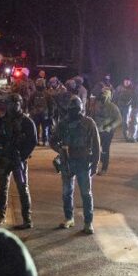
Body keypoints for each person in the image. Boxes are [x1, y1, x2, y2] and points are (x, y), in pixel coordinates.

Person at [49, 95, 101, 234]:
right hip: (67, 162)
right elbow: (52, 140)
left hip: (83, 162)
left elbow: (96, 145)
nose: (74, 111)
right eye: (71, 109)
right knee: (67, 193)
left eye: (76, 109)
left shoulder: (88, 123)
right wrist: (60, 149)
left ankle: (88, 222)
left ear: (81, 109)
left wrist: (95, 163)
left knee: (86, 193)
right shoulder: (63, 123)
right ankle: (69, 218)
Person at [0, 93, 37, 229]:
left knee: (23, 189)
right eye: (11, 103)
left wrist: (23, 156)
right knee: (2, 189)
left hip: (18, 159)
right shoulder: (0, 121)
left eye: (16, 103)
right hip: (3, 158)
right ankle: (1, 215)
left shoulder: (26, 121)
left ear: (20, 104)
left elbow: (32, 141)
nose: (13, 106)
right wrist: (0, 137)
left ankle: (27, 218)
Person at [89, 89, 122, 175]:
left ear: (108, 96)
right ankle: (92, 166)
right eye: (101, 95)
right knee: (94, 149)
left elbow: (119, 119)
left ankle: (104, 168)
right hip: (97, 130)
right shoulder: (96, 105)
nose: (102, 97)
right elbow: (91, 116)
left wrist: (110, 126)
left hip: (107, 132)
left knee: (105, 150)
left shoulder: (113, 107)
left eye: (104, 96)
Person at [29, 78, 52, 145]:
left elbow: (50, 104)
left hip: (42, 113)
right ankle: (42, 140)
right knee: (40, 128)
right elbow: (30, 103)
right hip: (41, 114)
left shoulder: (46, 94)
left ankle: (42, 140)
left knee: (41, 128)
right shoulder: (45, 93)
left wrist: (50, 113)